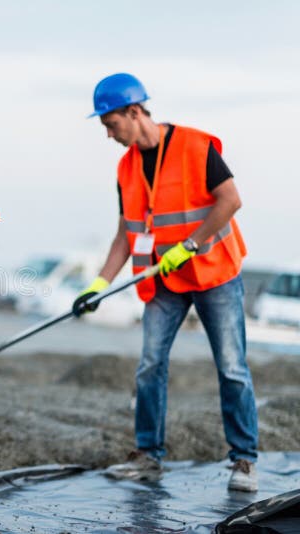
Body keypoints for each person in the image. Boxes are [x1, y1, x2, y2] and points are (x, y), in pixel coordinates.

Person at [73, 73, 259, 492]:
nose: (109, 134)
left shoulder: (196, 146)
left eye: (111, 124)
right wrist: (98, 285)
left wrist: (191, 244)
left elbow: (231, 200)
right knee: (150, 366)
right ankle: (148, 456)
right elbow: (125, 234)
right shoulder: (126, 168)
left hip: (215, 274)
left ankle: (244, 461)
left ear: (134, 112)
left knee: (231, 368)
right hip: (166, 281)